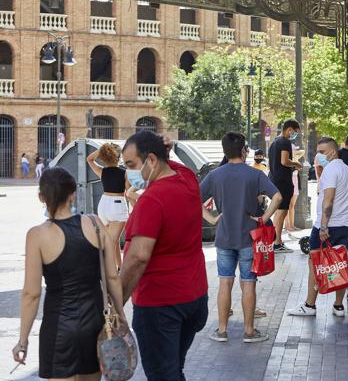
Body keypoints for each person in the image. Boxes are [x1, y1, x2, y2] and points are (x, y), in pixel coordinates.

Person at [13, 167, 126, 381]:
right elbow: (111, 277)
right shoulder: (95, 223)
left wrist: (23, 340)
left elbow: (31, 294)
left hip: (59, 329)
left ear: (41, 197)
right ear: (73, 193)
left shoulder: (37, 235)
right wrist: (121, 316)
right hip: (95, 325)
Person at [120, 131, 208, 381]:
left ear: (150, 160)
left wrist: (117, 303)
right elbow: (171, 165)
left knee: (163, 375)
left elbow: (137, 258)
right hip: (194, 298)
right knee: (173, 371)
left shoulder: (152, 200)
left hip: (160, 305)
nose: (129, 173)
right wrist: (166, 151)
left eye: (131, 165)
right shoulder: (187, 178)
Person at [200, 132, 282, 343]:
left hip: (224, 236)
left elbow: (193, 198)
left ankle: (222, 330)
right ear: (244, 150)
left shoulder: (215, 175)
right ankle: (248, 331)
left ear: (225, 151)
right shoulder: (254, 174)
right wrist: (264, 217)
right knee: (248, 283)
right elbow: (278, 197)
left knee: (224, 283)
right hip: (249, 237)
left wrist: (210, 219)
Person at [287, 137, 348, 317]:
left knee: (315, 263)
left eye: (322, 152)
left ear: (333, 151)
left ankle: (310, 305)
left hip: (328, 226)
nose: (319, 155)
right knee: (340, 264)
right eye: (318, 151)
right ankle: (338, 306)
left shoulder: (331, 170)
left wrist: (324, 227)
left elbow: (329, 200)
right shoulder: (347, 170)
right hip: (345, 224)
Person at [87, 143, 129, 269]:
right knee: (111, 242)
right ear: (118, 157)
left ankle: (119, 268)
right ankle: (104, 271)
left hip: (104, 205)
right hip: (117, 204)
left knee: (112, 241)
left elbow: (89, 159)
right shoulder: (125, 173)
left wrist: (102, 149)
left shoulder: (101, 171)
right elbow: (128, 192)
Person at [268, 119, 302, 253]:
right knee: (282, 212)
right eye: (295, 132)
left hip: (275, 180)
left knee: (278, 212)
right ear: (289, 129)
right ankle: (277, 243)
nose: (295, 135)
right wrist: (296, 164)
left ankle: (276, 241)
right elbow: (284, 161)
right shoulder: (285, 142)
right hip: (283, 182)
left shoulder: (275, 142)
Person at [285, 144, 305, 232]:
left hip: (296, 182)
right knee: (287, 205)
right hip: (289, 182)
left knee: (292, 205)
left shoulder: (295, 159)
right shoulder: (286, 160)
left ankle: (292, 225)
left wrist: (294, 153)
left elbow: (302, 151)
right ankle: (287, 225)